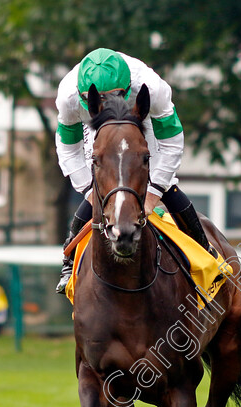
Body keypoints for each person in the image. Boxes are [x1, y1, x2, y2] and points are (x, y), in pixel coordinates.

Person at [54, 47, 215, 293]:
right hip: (94, 128)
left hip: (141, 121)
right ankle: (68, 264)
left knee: (159, 179)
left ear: (128, 89)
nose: (106, 104)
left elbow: (171, 143)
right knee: (102, 184)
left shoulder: (151, 87)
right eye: (98, 98)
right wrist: (90, 190)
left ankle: (205, 253)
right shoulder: (68, 97)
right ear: (82, 95)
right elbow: (68, 149)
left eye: (114, 96)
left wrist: (154, 193)